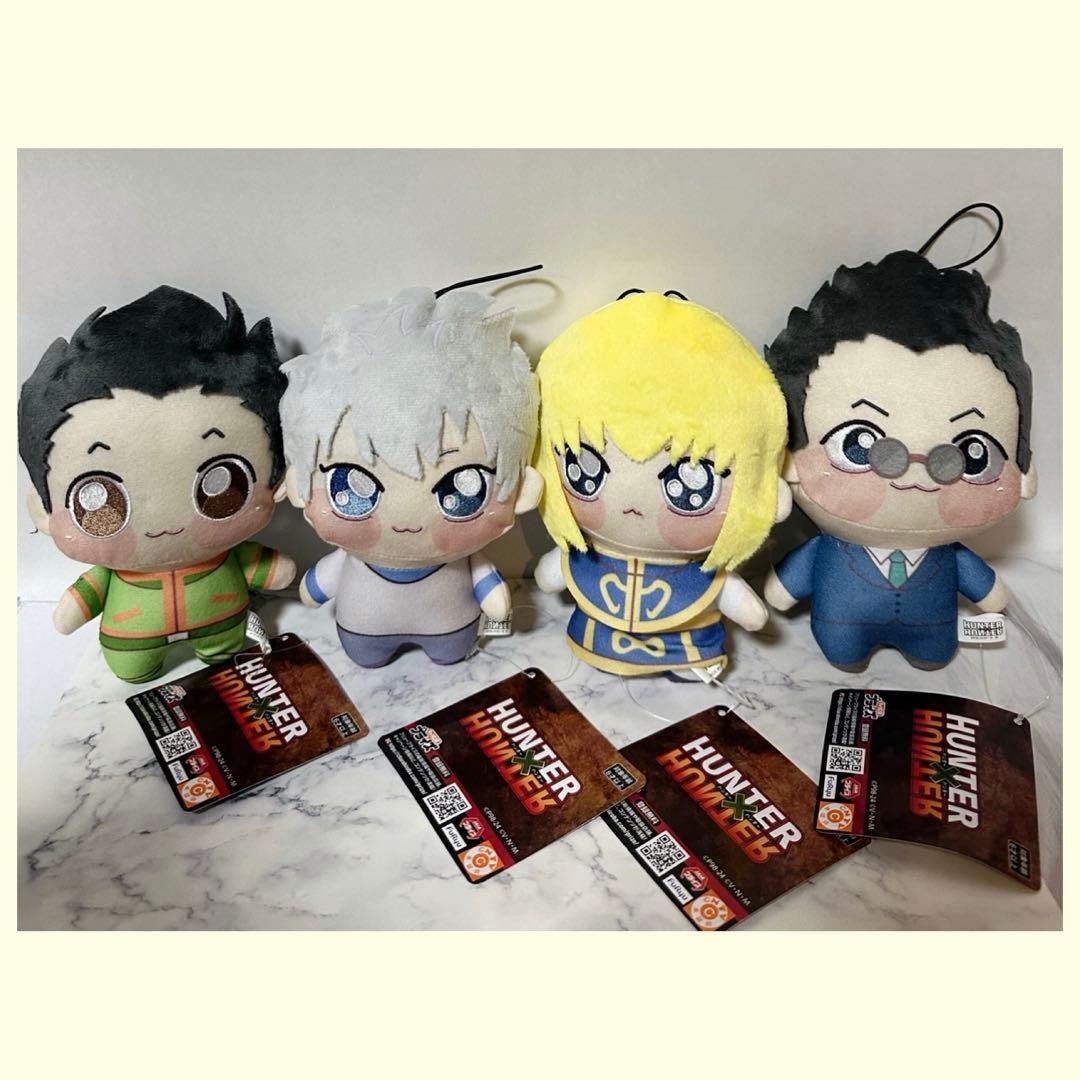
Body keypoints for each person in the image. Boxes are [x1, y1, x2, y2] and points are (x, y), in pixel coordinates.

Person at [762, 250, 1036, 669]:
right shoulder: (827, 548)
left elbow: (990, 593)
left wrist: (992, 598)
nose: (918, 467)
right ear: (790, 462)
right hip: (841, 625)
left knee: (934, 651)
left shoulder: (949, 554)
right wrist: (778, 592)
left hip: (933, 628)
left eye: (971, 454)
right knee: (841, 647)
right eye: (859, 444)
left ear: (1022, 472)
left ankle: (927, 649)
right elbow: (782, 591)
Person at [19, 286, 296, 681]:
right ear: (43, 511)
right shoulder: (112, 572)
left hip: (222, 626)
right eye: (101, 500)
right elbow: (77, 605)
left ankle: (215, 651)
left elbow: (279, 572)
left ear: (277, 479)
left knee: (222, 652)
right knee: (131, 668)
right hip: (132, 638)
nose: (165, 525)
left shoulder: (229, 553)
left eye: (221, 484)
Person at [280, 286, 541, 667]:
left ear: (523, 491)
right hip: (363, 629)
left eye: (461, 490)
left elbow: (492, 593)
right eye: (351, 487)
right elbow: (315, 588)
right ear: (298, 485)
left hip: (451, 628)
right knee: (369, 656)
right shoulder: (352, 556)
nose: (405, 520)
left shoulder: (463, 558)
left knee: (450, 653)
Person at [534, 290, 790, 677]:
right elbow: (548, 578)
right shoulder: (585, 555)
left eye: (691, 485)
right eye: (584, 469)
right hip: (595, 637)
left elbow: (751, 614)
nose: (631, 502)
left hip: (689, 649)